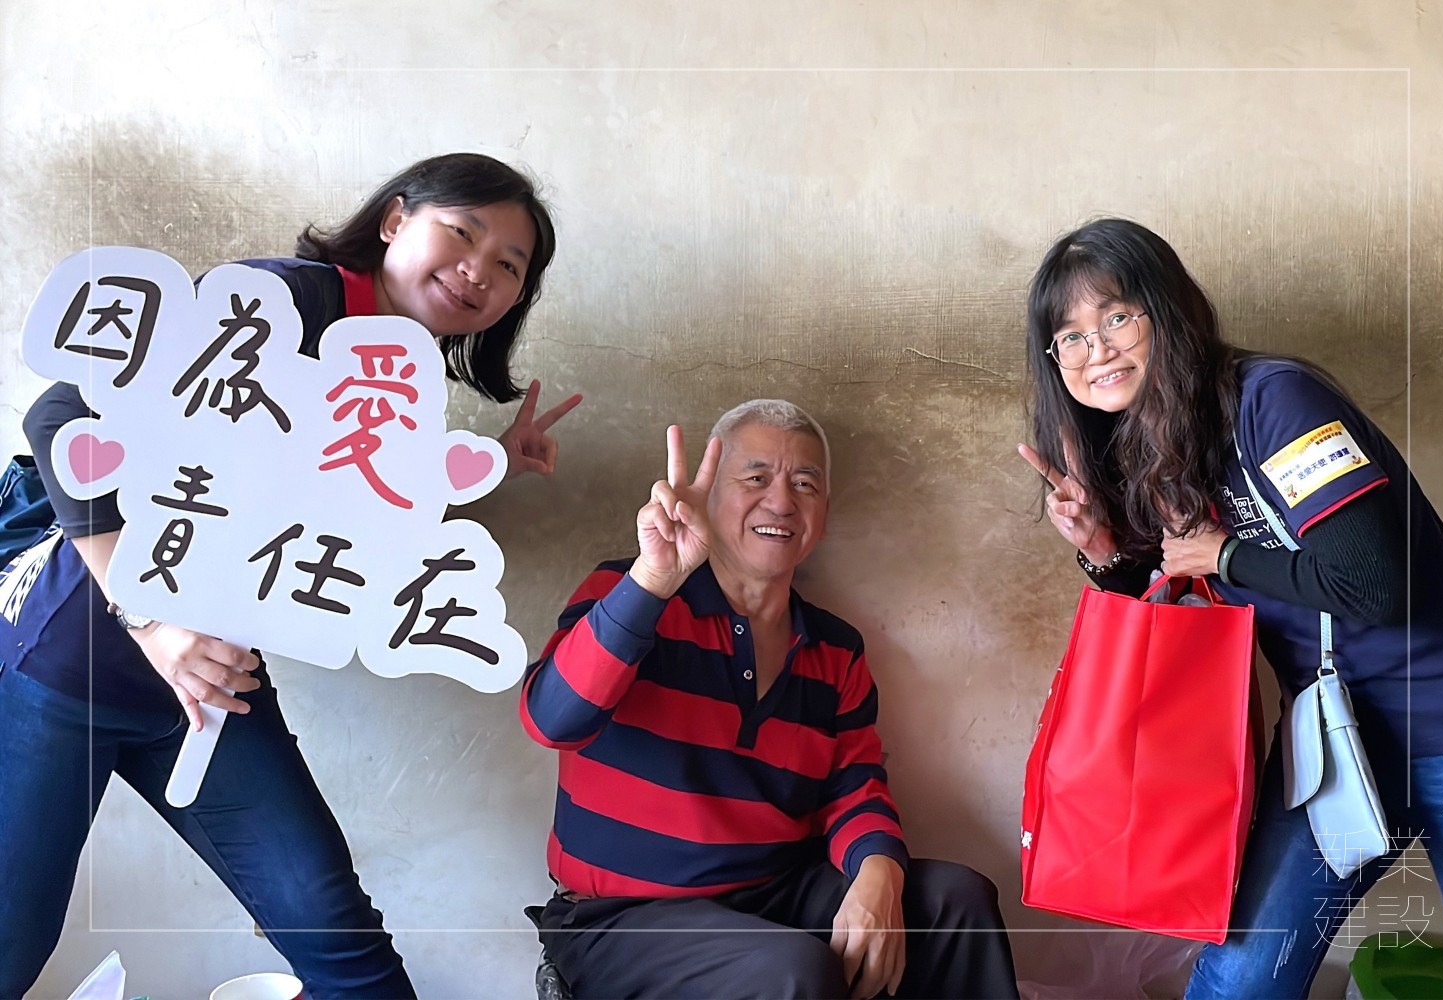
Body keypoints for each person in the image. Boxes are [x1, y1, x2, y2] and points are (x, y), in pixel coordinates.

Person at [0, 152, 582, 997]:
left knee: (340, 942)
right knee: (11, 948)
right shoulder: (284, 303)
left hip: (212, 687)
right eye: (462, 232)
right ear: (395, 220)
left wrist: (494, 462)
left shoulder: (393, 375)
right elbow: (61, 413)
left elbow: (342, 516)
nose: (477, 271)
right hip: (71, 663)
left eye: (508, 266)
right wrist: (152, 624)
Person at [1017, 218, 1443, 999]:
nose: (1095, 348)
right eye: (1069, 336)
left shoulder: (1273, 398)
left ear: (1166, 312)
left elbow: (1374, 586)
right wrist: (1105, 553)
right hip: (1335, 740)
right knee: (1240, 980)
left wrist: (1224, 555)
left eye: (1116, 316)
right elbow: (1178, 615)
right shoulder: (1152, 448)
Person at [521, 399, 1019, 1000]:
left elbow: (853, 786)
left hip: (774, 893)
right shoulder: (627, 591)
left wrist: (879, 871)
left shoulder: (835, 650)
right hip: (624, 915)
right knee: (792, 971)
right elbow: (551, 721)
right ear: (708, 497)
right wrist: (653, 581)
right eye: (756, 479)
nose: (782, 502)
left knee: (957, 903)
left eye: (805, 484)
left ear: (823, 516)